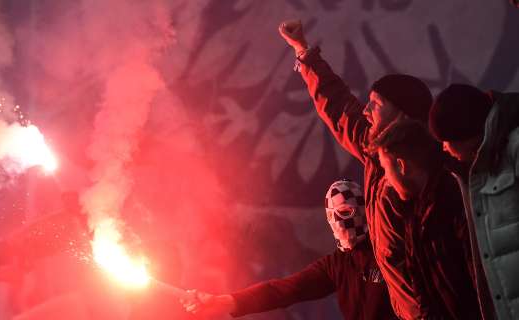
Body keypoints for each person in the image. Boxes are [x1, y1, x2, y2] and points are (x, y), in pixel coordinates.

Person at [278, 19, 432, 319]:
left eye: (374, 104)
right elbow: (339, 107)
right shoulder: (374, 151)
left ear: (400, 115)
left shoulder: (439, 179)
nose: (365, 109)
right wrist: (303, 52)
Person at [181, 179, 396, 320]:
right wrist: (221, 301)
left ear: (363, 210)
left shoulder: (390, 251)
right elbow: (282, 290)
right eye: (332, 216)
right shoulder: (336, 265)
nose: (338, 222)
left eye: (345, 212)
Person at [368, 120, 481, 319]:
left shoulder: (456, 200)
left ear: (401, 165)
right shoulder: (414, 216)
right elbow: (423, 292)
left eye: (386, 169)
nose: (387, 180)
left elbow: (479, 279)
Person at [428, 84, 519, 320]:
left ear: (466, 133)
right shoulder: (475, 171)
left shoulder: (515, 150)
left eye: (447, 139)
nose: (444, 148)